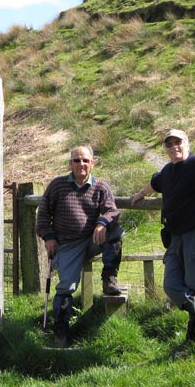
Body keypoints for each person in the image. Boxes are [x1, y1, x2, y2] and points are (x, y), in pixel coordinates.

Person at [130, 129, 195, 348]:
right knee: (171, 285)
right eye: (168, 144)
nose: (173, 147)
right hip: (175, 237)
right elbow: (155, 183)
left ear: (187, 142)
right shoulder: (167, 171)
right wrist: (141, 194)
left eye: (178, 142)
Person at [36, 144, 123, 347]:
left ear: (92, 162)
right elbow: (43, 214)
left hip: (92, 239)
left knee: (116, 233)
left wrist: (102, 223)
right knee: (66, 287)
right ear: (70, 163)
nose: (81, 164)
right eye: (77, 160)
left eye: (85, 160)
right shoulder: (57, 185)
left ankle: (109, 278)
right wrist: (49, 237)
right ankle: (60, 331)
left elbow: (112, 211)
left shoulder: (101, 186)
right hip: (67, 244)